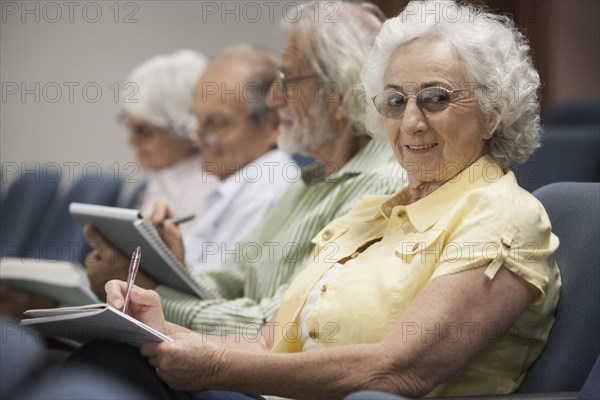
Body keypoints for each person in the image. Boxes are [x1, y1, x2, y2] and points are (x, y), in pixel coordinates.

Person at [72, 0, 561, 399]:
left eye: (434, 98)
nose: (411, 122)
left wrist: (215, 365)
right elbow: (268, 343)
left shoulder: (502, 216)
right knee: (115, 355)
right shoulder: (370, 214)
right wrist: (165, 329)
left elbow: (399, 370)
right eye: (394, 101)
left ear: (493, 112)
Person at [82, 0, 404, 333]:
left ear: (337, 97)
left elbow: (274, 326)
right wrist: (166, 271)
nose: (276, 100)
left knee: (103, 362)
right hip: (240, 365)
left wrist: (150, 297)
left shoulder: (379, 187)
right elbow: (231, 281)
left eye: (288, 81)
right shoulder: (313, 178)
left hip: (269, 382)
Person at [84, 44, 295, 294]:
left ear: (273, 125)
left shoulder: (266, 192)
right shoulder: (235, 186)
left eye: (216, 123)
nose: (198, 138)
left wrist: (136, 280)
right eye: (197, 121)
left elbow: (214, 305)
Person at [120, 49, 219, 230]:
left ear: (189, 130)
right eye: (129, 125)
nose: (132, 141)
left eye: (145, 130)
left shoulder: (206, 190)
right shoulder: (163, 178)